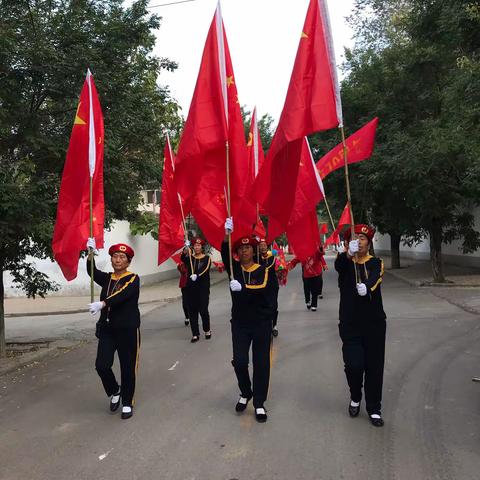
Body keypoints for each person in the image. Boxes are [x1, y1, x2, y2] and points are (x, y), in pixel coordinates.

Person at [222, 218, 276, 423]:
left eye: (248, 248)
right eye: (241, 248)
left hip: (261, 323)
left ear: (253, 251)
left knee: (261, 363)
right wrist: (226, 235)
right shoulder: (235, 271)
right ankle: (245, 392)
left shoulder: (264, 270)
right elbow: (226, 255)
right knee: (240, 361)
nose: (244, 251)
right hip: (240, 323)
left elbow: (264, 291)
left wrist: (243, 289)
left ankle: (259, 403)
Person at [335, 224, 387, 427]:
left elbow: (376, 277)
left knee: (374, 367)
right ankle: (355, 395)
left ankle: (374, 408)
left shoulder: (376, 262)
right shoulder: (346, 263)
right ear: (350, 242)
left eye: (363, 238)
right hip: (350, 323)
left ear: (369, 241)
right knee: (354, 365)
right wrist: (348, 254)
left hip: (374, 324)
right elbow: (339, 266)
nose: (360, 241)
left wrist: (366, 286)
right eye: (356, 238)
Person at [86, 239, 140, 420]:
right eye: (115, 256)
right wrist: (90, 253)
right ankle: (114, 390)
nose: (117, 260)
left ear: (128, 261)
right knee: (101, 365)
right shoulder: (107, 278)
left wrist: (103, 303)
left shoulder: (133, 278)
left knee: (127, 367)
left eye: (122, 257)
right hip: (108, 329)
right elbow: (91, 272)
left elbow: (122, 294)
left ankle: (127, 402)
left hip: (127, 329)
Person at [181, 237, 212, 343]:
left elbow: (205, 269)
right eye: (195, 245)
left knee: (203, 310)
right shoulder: (190, 258)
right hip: (191, 288)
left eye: (199, 245)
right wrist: (185, 249)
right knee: (192, 311)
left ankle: (207, 330)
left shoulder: (207, 258)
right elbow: (183, 259)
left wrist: (197, 275)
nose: (197, 247)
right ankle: (195, 334)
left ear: (202, 247)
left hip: (202, 288)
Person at [288, 246, 327, 312]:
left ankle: (314, 305)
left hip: (316, 274)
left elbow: (321, 254)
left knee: (315, 290)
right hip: (307, 274)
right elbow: (295, 260)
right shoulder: (302, 253)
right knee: (307, 288)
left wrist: (324, 264)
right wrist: (288, 266)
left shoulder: (316, 251)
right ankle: (308, 301)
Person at [257, 239, 280, 337]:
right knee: (262, 306)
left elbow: (266, 267)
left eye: (264, 245)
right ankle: (265, 326)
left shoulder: (272, 257)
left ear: (267, 247)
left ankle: (274, 326)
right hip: (260, 287)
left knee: (273, 306)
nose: (262, 247)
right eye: (260, 245)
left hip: (272, 286)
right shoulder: (257, 258)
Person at [177, 261, 190, 326]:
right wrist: (180, 265)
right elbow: (182, 271)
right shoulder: (181, 264)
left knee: (192, 301)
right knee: (184, 302)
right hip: (184, 284)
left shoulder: (192, 260)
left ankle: (193, 315)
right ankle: (187, 316)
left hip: (192, 284)